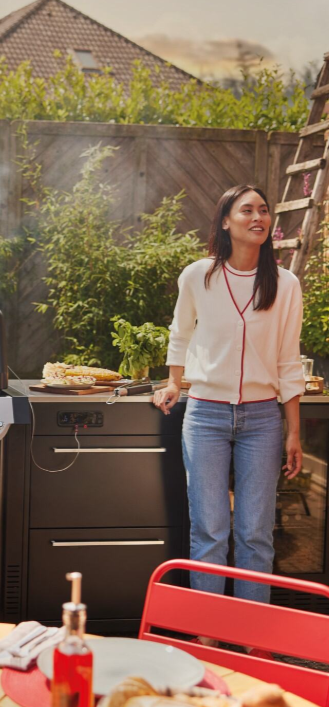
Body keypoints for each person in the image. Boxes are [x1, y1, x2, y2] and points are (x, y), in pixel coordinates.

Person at [153, 184, 303, 651]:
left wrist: (293, 430)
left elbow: (288, 361)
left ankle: (253, 637)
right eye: (247, 210)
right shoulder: (198, 276)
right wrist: (175, 381)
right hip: (206, 416)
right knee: (210, 530)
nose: (257, 216)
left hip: (262, 419)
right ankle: (208, 638)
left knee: (256, 533)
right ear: (225, 221)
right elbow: (180, 334)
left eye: (263, 210)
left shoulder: (286, 284)